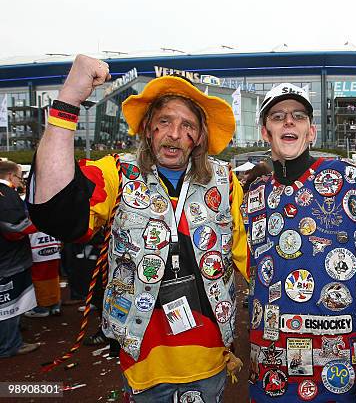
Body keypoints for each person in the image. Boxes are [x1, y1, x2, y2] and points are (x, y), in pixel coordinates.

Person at [27, 54, 247, 401]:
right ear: (147, 127)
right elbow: (54, 210)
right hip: (142, 360)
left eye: (188, 125)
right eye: (164, 121)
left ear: (201, 136)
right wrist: (68, 99)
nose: (175, 134)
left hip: (210, 356)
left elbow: (252, 257)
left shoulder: (226, 181)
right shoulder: (117, 172)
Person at [245, 83, 356, 402]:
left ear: (312, 131)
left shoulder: (354, 180)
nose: (289, 121)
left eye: (298, 116)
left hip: (343, 361)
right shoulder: (252, 197)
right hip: (272, 362)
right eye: (278, 116)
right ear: (265, 132)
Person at [0, 160, 39, 357]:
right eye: (18, 176)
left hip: (8, 257)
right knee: (8, 305)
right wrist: (43, 222)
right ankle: (9, 344)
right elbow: (15, 228)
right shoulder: (5, 195)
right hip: (9, 260)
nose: (21, 180)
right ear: (10, 176)